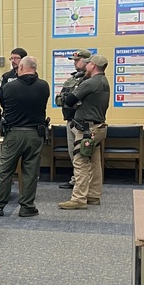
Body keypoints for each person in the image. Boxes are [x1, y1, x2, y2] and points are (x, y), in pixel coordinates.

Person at [0, 55, 50, 218]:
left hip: (14, 133)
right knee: (30, 171)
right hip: (35, 134)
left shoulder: (9, 87)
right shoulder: (44, 86)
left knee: (5, 170)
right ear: (35, 68)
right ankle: (27, 207)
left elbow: (4, 103)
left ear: (21, 68)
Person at [58, 54, 110, 210]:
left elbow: (68, 100)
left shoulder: (90, 82)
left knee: (80, 162)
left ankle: (78, 199)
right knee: (94, 163)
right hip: (97, 127)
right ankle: (93, 195)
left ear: (93, 65)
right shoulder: (104, 81)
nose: (85, 66)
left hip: (86, 129)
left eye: (88, 64)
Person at [56, 49, 91, 190]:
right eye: (74, 61)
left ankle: (84, 182)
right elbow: (60, 99)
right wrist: (70, 101)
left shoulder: (89, 80)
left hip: (82, 122)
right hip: (70, 120)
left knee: (83, 154)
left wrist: (70, 100)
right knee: (73, 153)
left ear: (87, 61)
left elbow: (81, 101)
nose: (75, 63)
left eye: (77, 60)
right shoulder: (72, 79)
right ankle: (76, 179)